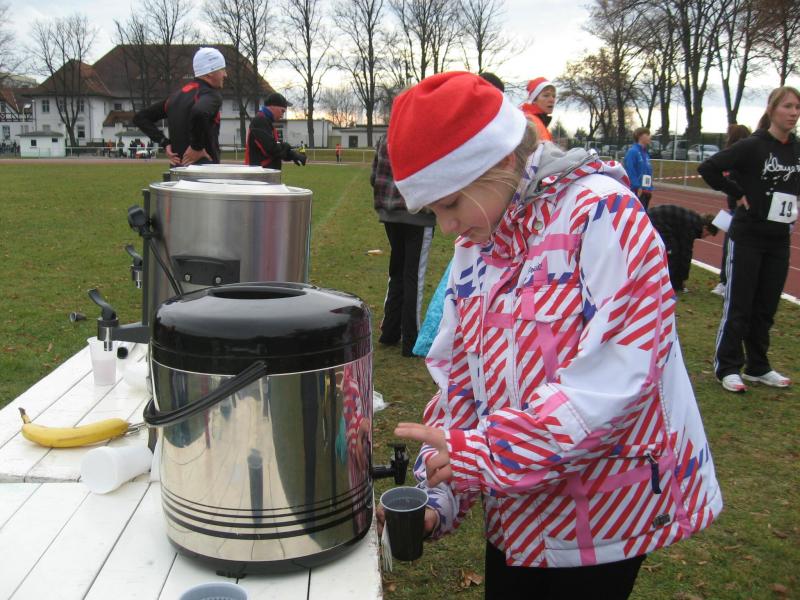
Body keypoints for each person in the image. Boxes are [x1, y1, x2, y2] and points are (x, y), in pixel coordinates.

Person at [379, 72, 721, 600]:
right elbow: (462, 383)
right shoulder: (479, 243)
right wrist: (438, 492)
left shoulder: (604, 215)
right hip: (519, 514)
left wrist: (483, 453)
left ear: (500, 162)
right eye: (433, 211)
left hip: (604, 516)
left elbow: (613, 383)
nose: (446, 227)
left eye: (450, 204)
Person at [697, 86, 799, 393]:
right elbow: (709, 168)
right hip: (747, 238)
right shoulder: (753, 146)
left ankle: (758, 366)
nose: (794, 113)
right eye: (788, 106)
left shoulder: (796, 148)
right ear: (771, 109)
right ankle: (727, 367)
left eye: (797, 108)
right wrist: (736, 192)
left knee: (765, 307)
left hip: (778, 240)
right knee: (739, 305)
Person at [371, 135, 436, 357]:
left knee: (397, 271)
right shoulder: (426, 139)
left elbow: (374, 176)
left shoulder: (386, 137)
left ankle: (390, 332)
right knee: (413, 277)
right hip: (418, 215)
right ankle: (412, 340)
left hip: (390, 214)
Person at [134, 47, 226, 166]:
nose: (225, 74)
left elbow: (140, 117)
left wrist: (164, 142)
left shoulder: (175, 97)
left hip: (176, 172)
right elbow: (199, 112)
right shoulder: (211, 95)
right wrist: (196, 147)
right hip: (203, 172)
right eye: (222, 69)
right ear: (210, 72)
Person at [711, 124, 751, 297]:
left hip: (739, 211)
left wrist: (737, 196)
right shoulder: (739, 159)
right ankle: (728, 282)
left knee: (732, 249)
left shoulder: (739, 160)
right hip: (736, 210)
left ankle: (726, 282)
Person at [647, 205, 718, 293]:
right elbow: (686, 253)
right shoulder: (692, 227)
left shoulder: (694, 221)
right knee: (672, 253)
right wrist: (683, 278)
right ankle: (669, 284)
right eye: (707, 234)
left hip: (657, 218)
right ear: (705, 227)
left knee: (674, 250)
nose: (705, 237)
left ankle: (670, 282)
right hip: (656, 220)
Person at [245, 92, 307, 169]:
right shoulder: (260, 121)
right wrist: (286, 146)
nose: (282, 115)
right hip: (259, 173)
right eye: (282, 111)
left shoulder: (267, 122)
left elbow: (276, 150)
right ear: (272, 106)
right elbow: (271, 149)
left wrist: (293, 155)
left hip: (265, 172)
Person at [623, 127, 654, 209]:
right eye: (647, 134)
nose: (649, 137)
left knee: (644, 213)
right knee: (636, 213)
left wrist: (649, 187)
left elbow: (647, 171)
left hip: (645, 191)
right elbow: (630, 171)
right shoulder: (633, 152)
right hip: (636, 191)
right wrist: (637, 187)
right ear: (640, 136)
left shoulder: (645, 154)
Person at [520, 76, 555, 142]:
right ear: (534, 100)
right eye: (546, 95)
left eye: (554, 96)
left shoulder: (538, 120)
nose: (552, 100)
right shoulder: (531, 122)